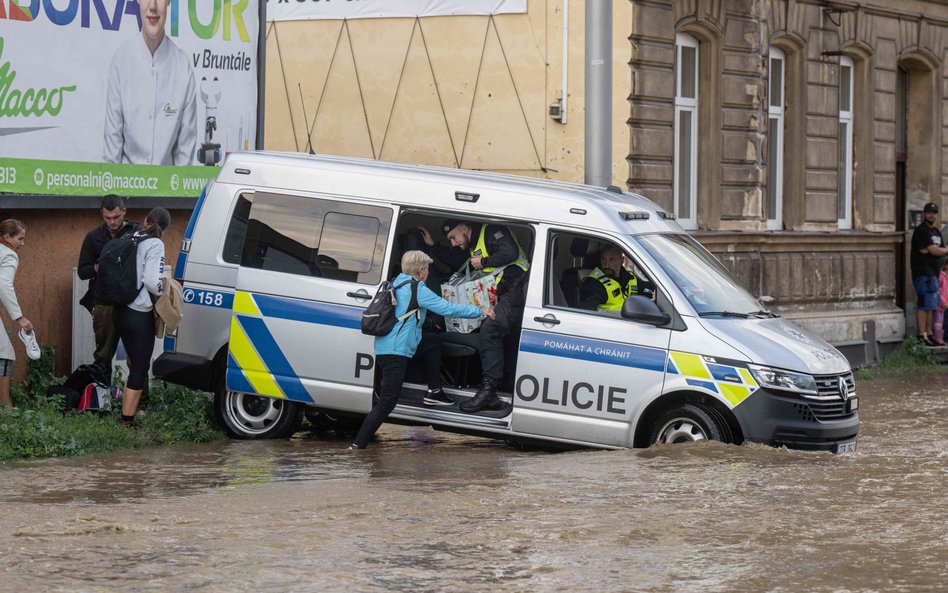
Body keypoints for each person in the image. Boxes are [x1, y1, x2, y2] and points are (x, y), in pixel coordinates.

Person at [351, 251, 491, 449]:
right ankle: (357, 446)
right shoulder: (417, 288)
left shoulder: (397, 282)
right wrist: (481, 311)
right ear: (421, 270)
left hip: (385, 347)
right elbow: (447, 309)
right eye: (427, 268)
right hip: (395, 352)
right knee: (386, 403)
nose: (427, 272)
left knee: (432, 342)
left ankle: (434, 390)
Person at [420, 220, 530, 413]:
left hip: (516, 288)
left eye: (453, 237)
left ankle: (489, 392)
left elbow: (510, 253)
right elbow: (458, 262)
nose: (453, 243)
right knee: (486, 328)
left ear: (464, 228)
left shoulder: (492, 230)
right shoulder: (472, 243)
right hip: (501, 292)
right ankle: (491, 388)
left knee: (490, 328)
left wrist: (484, 262)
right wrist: (433, 247)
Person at [103, 0, 197, 166]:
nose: (152, 6)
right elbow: (112, 154)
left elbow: (185, 161)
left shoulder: (183, 67)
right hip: (125, 188)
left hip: (167, 190)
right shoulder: (121, 61)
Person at [115, 207, 171, 428]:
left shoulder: (131, 236)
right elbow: (150, 280)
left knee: (134, 364)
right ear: (165, 228)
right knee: (140, 366)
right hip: (139, 312)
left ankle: (126, 415)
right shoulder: (155, 243)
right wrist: (164, 288)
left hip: (120, 309)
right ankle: (127, 421)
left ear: (146, 220)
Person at [77, 195, 140, 373]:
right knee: (103, 356)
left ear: (124, 212)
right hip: (104, 303)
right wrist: (98, 267)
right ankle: (101, 398)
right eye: (107, 218)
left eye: (116, 217)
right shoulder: (93, 237)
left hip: (132, 303)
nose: (112, 222)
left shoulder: (136, 233)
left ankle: (140, 401)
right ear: (101, 214)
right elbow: (83, 271)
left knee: (136, 357)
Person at [0, 220, 32, 410]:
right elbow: (3, 285)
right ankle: (6, 409)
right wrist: (19, 318)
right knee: (4, 354)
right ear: (6, 238)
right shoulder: (9, 255)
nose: (22, 243)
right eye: (20, 238)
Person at [910, 202, 948, 346]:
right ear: (924, 214)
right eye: (929, 212)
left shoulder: (936, 232)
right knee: (923, 304)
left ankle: (930, 334)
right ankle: (922, 335)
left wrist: (938, 250)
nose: (931, 215)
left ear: (936, 215)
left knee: (932, 305)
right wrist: (938, 250)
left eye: (934, 212)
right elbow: (935, 251)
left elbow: (938, 249)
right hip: (922, 272)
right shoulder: (921, 231)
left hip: (934, 272)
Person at [578, 244, 644, 311]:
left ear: (622, 260)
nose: (606, 265)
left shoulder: (630, 277)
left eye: (611, 260)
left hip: (630, 320)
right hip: (609, 321)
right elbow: (586, 313)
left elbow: (648, 289)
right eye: (603, 259)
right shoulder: (595, 283)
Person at [934, 261, 948, 346]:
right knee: (937, 321)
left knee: (941, 322)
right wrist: (943, 301)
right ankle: (937, 339)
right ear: (946, 265)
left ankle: (941, 339)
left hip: (945, 305)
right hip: (939, 304)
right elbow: (938, 291)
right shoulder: (941, 276)